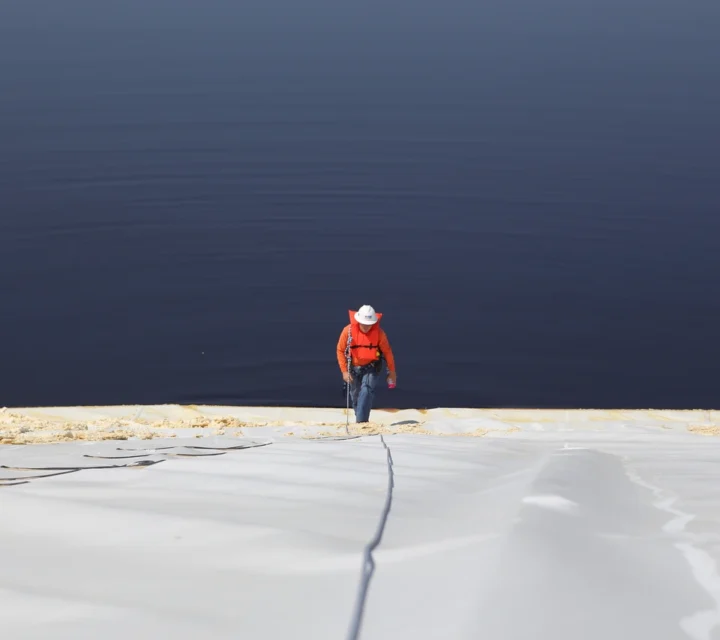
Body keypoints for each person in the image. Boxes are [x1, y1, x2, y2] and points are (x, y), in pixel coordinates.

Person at [336, 305, 397, 423]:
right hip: (353, 368)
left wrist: (392, 372)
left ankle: (361, 422)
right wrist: (344, 371)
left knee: (366, 391)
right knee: (355, 396)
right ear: (358, 321)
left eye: (369, 324)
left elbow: (387, 352)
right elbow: (340, 350)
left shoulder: (379, 333)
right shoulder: (347, 331)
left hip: (371, 367)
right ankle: (360, 417)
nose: (366, 327)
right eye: (364, 323)